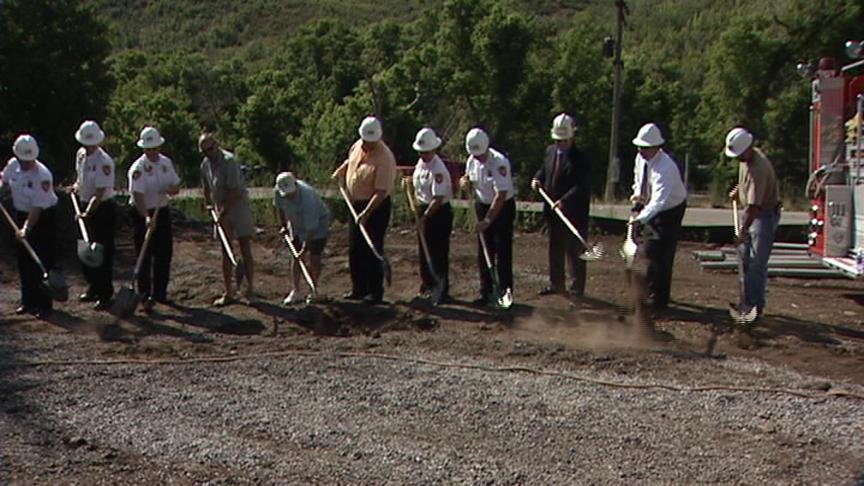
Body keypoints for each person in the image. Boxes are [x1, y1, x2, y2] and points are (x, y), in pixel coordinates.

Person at [331, 116, 397, 305]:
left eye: (371, 142)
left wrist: (367, 213)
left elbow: (381, 192)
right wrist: (342, 170)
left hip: (376, 206)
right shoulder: (357, 145)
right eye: (365, 141)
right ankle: (358, 288)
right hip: (355, 204)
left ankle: (375, 292)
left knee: (372, 247)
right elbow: (351, 161)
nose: (367, 145)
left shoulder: (385, 158)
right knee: (355, 248)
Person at [628, 122, 687, 311]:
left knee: (661, 253)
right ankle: (649, 290)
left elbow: (659, 202)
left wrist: (639, 219)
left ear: (656, 147)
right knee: (650, 250)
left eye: (644, 147)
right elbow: (639, 180)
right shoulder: (640, 158)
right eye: (639, 146)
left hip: (670, 210)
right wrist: (638, 200)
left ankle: (660, 300)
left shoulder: (665, 168)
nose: (640, 150)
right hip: (650, 207)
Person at [531, 113, 592, 297]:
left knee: (575, 254)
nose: (560, 144)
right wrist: (537, 178)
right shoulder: (550, 151)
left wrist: (564, 201)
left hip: (573, 213)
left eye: (564, 141)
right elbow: (545, 170)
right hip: (553, 211)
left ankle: (576, 292)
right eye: (558, 140)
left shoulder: (580, 159)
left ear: (571, 137)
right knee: (555, 248)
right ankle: (556, 284)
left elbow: (582, 187)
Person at [725, 127, 780, 319]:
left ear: (749, 147)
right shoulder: (745, 159)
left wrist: (742, 231)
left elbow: (754, 207)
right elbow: (745, 183)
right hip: (751, 211)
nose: (737, 158)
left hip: (762, 215)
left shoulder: (759, 167)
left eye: (739, 154)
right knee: (744, 260)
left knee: (756, 263)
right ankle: (747, 301)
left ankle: (754, 306)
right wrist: (738, 190)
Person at [1, 135, 59, 317]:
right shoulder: (13, 166)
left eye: (29, 160)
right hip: (21, 214)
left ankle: (44, 304)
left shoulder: (43, 176)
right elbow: (4, 181)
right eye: (23, 160)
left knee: (41, 259)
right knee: (24, 260)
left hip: (42, 218)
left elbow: (37, 207)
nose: (26, 164)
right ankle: (28, 301)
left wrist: (26, 229)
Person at [459, 128, 516, 305]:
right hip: (482, 204)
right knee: (484, 250)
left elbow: (500, 195)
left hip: (502, 208)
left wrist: (488, 220)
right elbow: (468, 178)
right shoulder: (472, 160)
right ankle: (486, 292)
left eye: (480, 154)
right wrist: (464, 182)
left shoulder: (499, 163)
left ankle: (505, 292)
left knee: (502, 250)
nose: (477, 158)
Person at [199, 132, 256, 306]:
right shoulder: (205, 164)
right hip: (221, 209)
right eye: (204, 151)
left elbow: (235, 191)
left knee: (244, 246)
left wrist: (223, 211)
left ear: (217, 145)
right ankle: (229, 292)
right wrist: (208, 202)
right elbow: (206, 185)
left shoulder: (230, 161)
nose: (208, 153)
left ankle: (250, 290)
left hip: (237, 206)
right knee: (226, 250)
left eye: (210, 148)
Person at [128, 126, 181, 312]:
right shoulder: (138, 168)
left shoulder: (166, 163)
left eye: (155, 148)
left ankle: (160, 293)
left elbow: (176, 186)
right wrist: (146, 217)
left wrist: (170, 189)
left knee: (164, 254)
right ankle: (144, 295)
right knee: (144, 255)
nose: (152, 152)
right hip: (142, 211)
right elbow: (137, 195)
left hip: (162, 210)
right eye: (149, 149)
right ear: (143, 149)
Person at [404, 127, 453, 305]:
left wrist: (425, 217)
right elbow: (419, 187)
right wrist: (409, 185)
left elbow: (438, 198)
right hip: (423, 209)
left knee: (437, 251)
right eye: (420, 151)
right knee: (424, 251)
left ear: (433, 149)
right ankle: (427, 285)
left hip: (437, 212)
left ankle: (440, 288)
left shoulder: (438, 169)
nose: (423, 154)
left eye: (425, 151)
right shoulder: (421, 163)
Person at [72, 120, 116, 310]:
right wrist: (76, 186)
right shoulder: (81, 155)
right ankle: (92, 286)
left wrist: (87, 213)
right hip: (83, 204)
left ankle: (105, 293)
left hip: (101, 208)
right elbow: (80, 177)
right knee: (85, 249)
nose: (89, 147)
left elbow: (99, 193)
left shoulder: (104, 162)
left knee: (101, 251)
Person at [273, 171, 330, 305]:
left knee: (314, 256)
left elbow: (312, 229)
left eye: (291, 193)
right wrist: (283, 226)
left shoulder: (307, 197)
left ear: (296, 185)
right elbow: (279, 208)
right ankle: (295, 291)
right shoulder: (278, 191)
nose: (289, 196)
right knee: (296, 256)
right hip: (296, 222)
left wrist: (304, 249)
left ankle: (313, 289)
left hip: (318, 224)